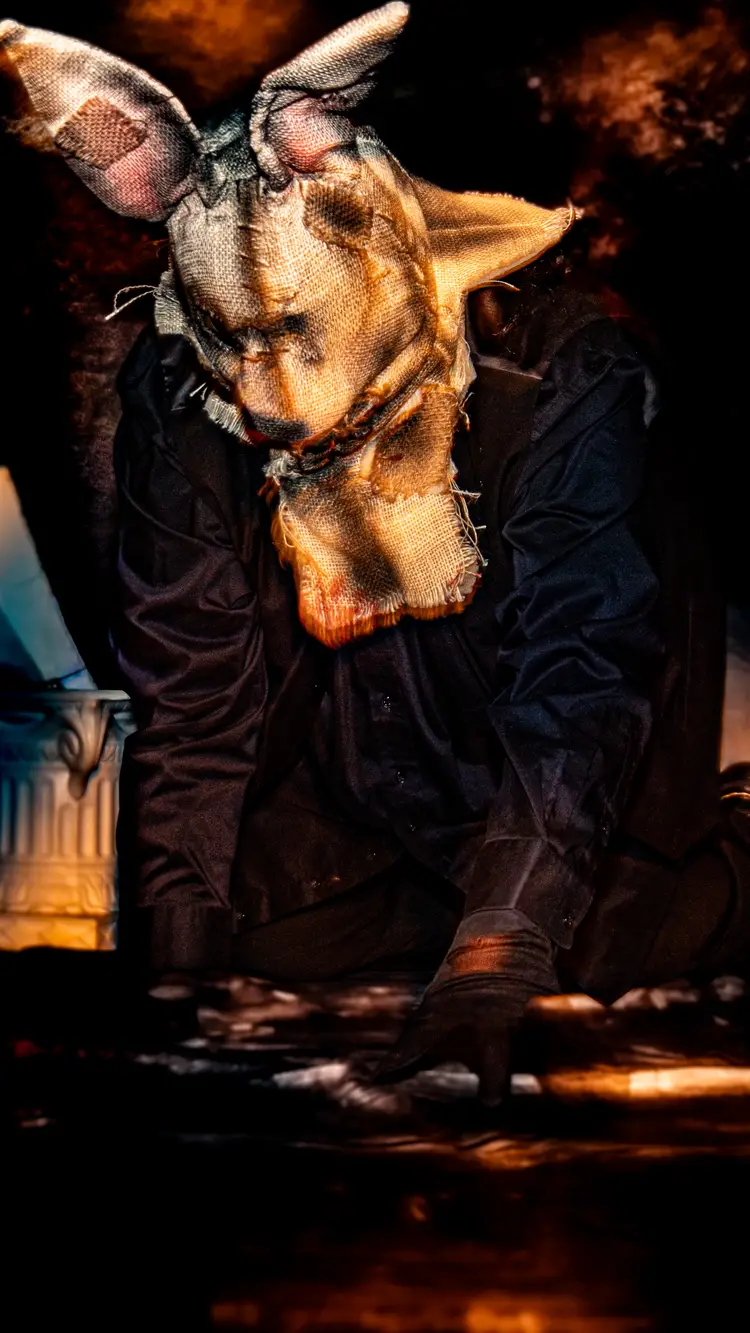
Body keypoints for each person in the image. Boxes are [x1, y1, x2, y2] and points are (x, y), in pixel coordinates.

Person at [4, 4, 749, 1104]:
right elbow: (192, 692)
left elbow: (580, 676)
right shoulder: (179, 395)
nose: (267, 400)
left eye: (294, 334)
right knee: (254, 949)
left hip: (532, 776)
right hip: (355, 804)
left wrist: (497, 953)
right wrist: (179, 978)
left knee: (589, 955)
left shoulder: (563, 375)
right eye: (232, 341)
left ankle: (728, 851)